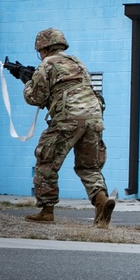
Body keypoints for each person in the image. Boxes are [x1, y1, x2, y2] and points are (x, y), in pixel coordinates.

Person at [18, 28, 115, 227]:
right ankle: (101, 202)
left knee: (46, 162)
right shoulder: (77, 62)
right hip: (93, 119)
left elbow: (35, 98)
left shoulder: (46, 64)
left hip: (67, 119)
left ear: (43, 49)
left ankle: (46, 211)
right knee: (89, 167)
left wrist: (27, 83)